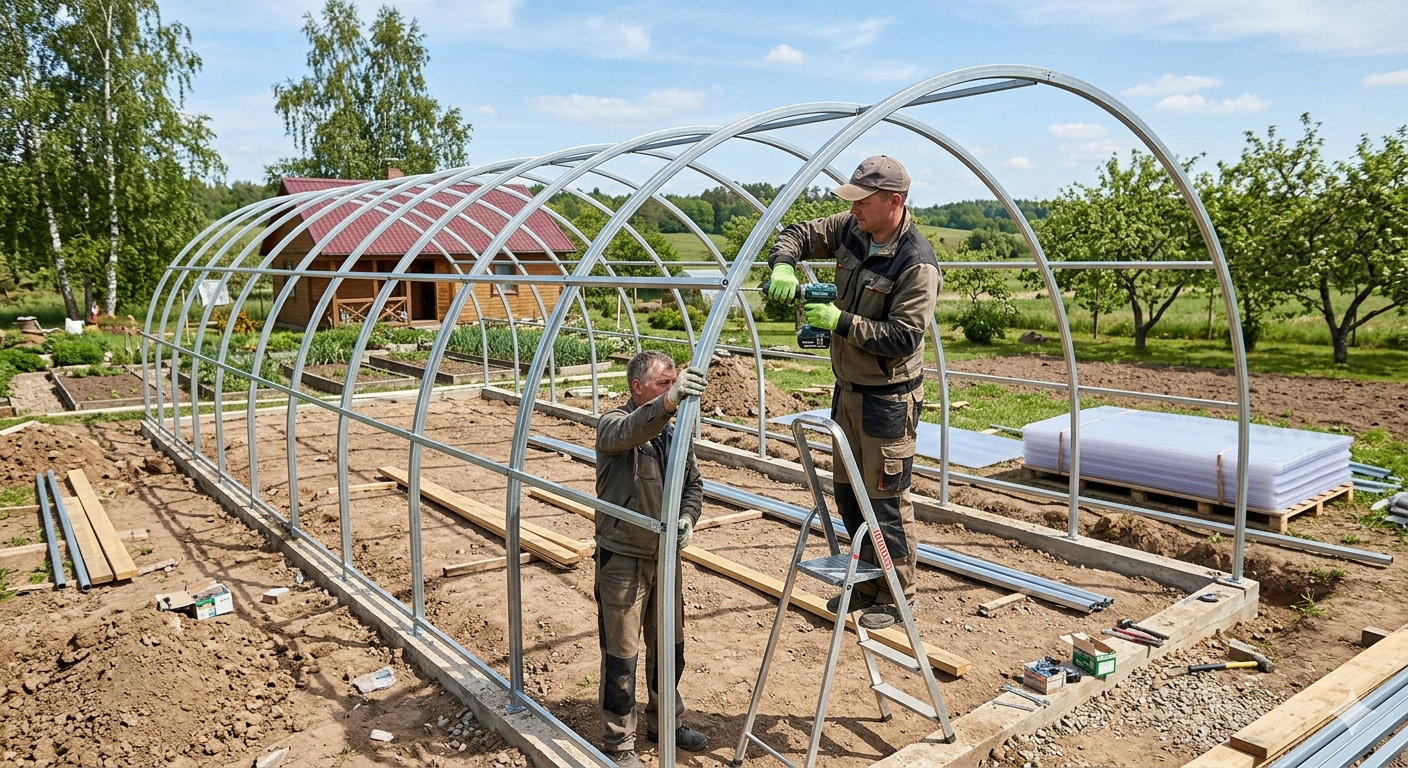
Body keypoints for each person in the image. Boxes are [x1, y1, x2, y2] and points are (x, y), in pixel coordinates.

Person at [764, 155, 939, 631]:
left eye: (863, 201)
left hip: (888, 399)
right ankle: (865, 582)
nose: (854, 208)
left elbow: (903, 337)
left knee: (886, 500)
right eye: (853, 201)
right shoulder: (852, 229)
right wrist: (784, 266)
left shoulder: (915, 262)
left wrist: (840, 321)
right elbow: (798, 233)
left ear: (893, 202)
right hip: (848, 392)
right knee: (848, 495)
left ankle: (898, 595)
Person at [594, 350, 710, 767]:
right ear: (637, 387)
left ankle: (666, 723)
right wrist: (668, 403)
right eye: (664, 383)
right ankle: (619, 742)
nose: (673, 389)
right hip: (623, 557)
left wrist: (687, 517)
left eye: (675, 383)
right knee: (621, 656)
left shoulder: (675, 433)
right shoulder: (613, 423)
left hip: (665, 558)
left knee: (669, 648)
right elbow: (632, 430)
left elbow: (693, 484)